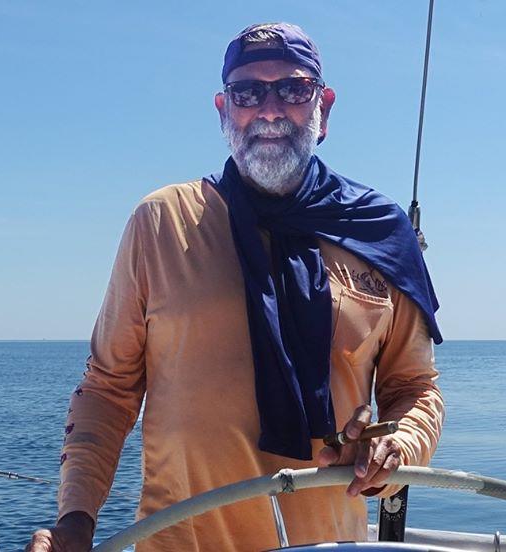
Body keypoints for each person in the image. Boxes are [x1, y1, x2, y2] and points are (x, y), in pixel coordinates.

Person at [26, 22, 444, 552]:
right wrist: (77, 519)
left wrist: (397, 449)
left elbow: (415, 389)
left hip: (329, 546)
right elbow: (108, 390)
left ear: (325, 107)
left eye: (293, 89)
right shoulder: (161, 222)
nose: (269, 109)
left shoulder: (379, 232)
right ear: (224, 111)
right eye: (248, 92)